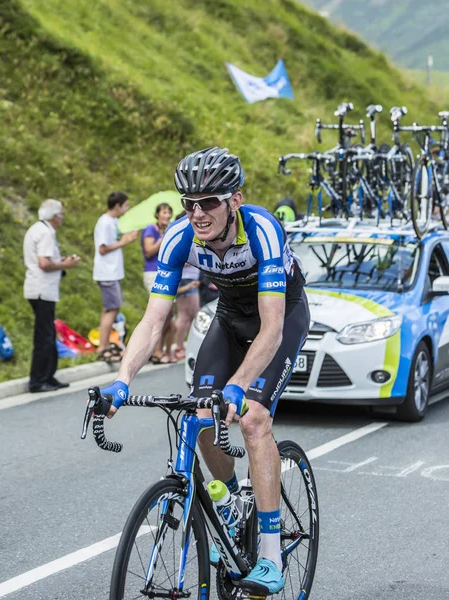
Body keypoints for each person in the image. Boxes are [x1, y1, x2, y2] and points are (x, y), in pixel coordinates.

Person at [96, 147, 310, 595]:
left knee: (252, 417)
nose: (197, 213)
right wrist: (121, 380)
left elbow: (271, 329)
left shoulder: (262, 231)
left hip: (280, 317)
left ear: (234, 199)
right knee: (197, 413)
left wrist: (238, 385)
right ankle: (230, 498)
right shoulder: (179, 238)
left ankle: (270, 557)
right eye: (188, 203)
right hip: (230, 316)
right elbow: (154, 321)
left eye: (208, 202)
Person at [23, 199, 80, 393]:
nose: (62, 218)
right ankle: (38, 380)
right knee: (44, 336)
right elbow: (44, 263)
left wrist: (61, 261)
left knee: (48, 333)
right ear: (55, 216)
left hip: (39, 288)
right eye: (62, 214)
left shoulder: (37, 229)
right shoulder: (46, 233)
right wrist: (66, 264)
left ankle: (48, 375)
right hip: (42, 290)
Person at [93, 192, 138, 362]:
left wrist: (126, 238)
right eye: (125, 205)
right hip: (107, 272)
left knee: (109, 308)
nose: (126, 209)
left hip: (112, 272)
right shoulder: (104, 222)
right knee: (113, 308)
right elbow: (102, 248)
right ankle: (103, 346)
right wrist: (124, 242)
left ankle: (103, 344)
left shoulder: (113, 222)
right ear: (117, 205)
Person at [141, 202, 177, 364]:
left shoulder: (170, 230)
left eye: (169, 212)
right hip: (153, 272)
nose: (167, 215)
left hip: (167, 272)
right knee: (160, 312)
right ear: (157, 214)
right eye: (164, 212)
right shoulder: (151, 230)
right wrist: (163, 239)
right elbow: (148, 252)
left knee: (169, 313)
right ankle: (155, 351)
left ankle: (158, 348)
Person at [174, 263, 200, 360]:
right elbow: (182, 260)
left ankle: (187, 346)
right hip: (186, 279)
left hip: (189, 278)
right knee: (185, 316)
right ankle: (179, 348)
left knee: (190, 317)